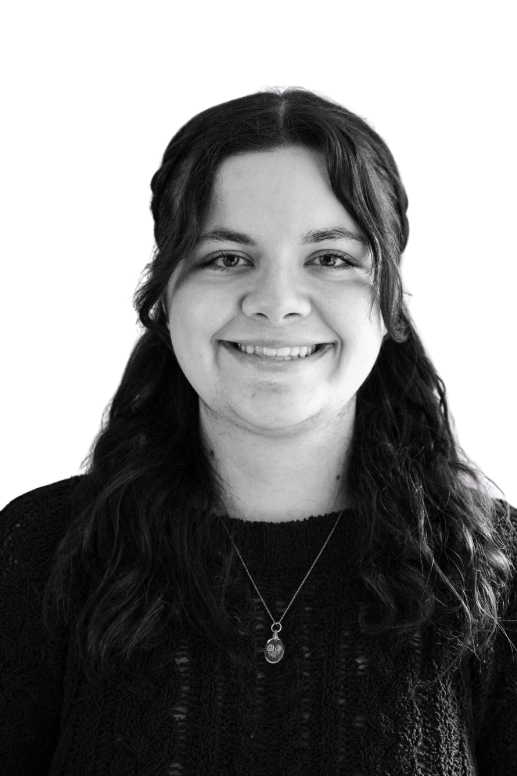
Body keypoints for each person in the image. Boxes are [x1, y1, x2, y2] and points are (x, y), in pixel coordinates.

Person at [1, 85, 515, 775]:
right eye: (226, 257)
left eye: (330, 258)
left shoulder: (500, 569)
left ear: (391, 300)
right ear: (164, 296)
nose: (276, 304)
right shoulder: (33, 552)